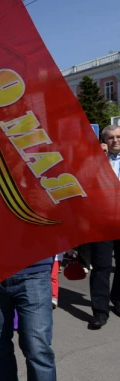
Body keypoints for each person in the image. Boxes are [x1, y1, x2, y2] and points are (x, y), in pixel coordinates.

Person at [87, 124, 120, 330]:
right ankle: (100, 311)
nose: (115, 140)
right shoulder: (96, 161)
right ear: (104, 141)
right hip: (102, 222)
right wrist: (98, 158)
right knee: (101, 267)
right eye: (111, 138)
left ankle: (117, 299)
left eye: (118, 137)